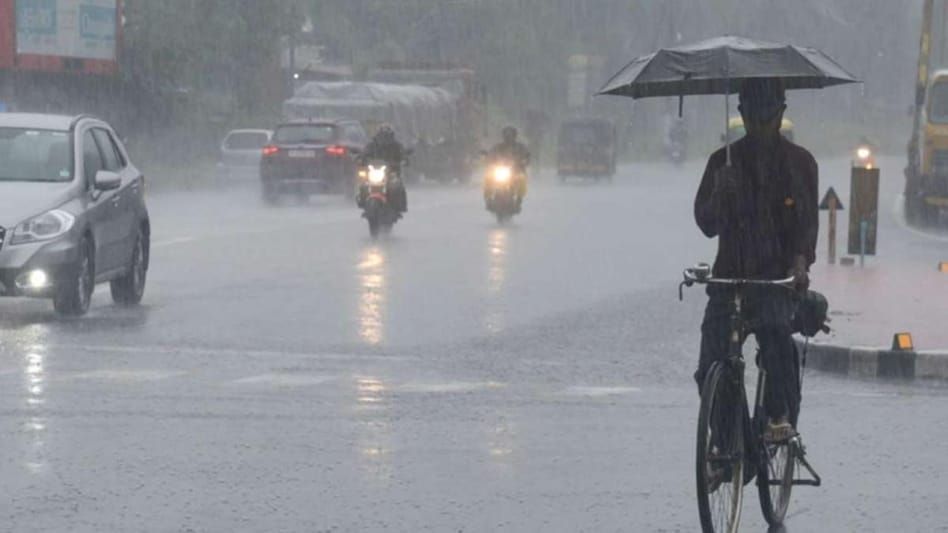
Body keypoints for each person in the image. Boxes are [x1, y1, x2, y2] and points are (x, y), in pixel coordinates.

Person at [693, 78, 818, 441]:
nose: (761, 127)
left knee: (778, 339)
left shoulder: (800, 164)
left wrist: (798, 265)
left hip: (774, 280)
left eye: (768, 117)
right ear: (742, 114)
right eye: (753, 118)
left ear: (780, 113)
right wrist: (720, 194)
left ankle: (777, 415)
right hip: (729, 278)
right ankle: (728, 438)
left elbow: (806, 227)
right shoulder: (722, 162)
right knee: (710, 366)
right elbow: (706, 223)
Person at [361, 124, 408, 212]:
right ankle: (362, 201)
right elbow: (365, 153)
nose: (384, 138)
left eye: (386, 136)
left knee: (397, 185)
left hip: (391, 173)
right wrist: (361, 158)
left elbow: (403, 154)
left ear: (391, 136)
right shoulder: (373, 145)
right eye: (382, 136)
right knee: (364, 184)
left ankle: (400, 206)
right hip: (375, 171)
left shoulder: (396, 146)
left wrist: (404, 159)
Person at [486, 126, 530, 203]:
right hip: (500, 170)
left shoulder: (520, 147)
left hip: (516, 171)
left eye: (510, 135)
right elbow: (490, 154)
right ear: (503, 136)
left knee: (521, 178)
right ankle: (488, 198)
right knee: (488, 177)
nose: (508, 137)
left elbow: (526, 155)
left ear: (514, 136)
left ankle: (519, 198)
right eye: (506, 135)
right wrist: (488, 158)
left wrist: (524, 161)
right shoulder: (498, 147)